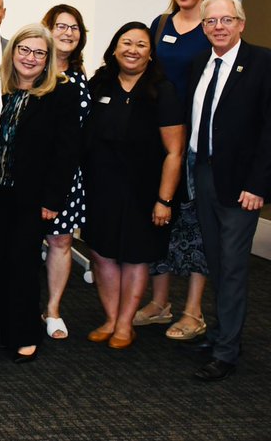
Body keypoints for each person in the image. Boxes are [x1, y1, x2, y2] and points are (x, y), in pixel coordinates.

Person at [81, 23, 184, 350]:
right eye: (126, 42)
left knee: (135, 257)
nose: (133, 49)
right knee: (102, 254)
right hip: (100, 186)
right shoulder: (100, 83)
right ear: (114, 48)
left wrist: (164, 200)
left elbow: (174, 152)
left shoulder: (162, 90)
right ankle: (110, 318)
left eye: (141, 44)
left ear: (150, 54)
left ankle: (126, 323)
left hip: (144, 190)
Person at [185, 0, 271, 381]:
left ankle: (227, 351)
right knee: (216, 259)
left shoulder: (263, 63)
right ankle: (223, 330)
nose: (218, 27)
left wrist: (258, 185)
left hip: (242, 186)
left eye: (226, 20)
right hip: (204, 173)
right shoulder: (200, 63)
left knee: (234, 266)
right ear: (203, 28)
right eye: (211, 21)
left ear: (241, 23)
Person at [0, 24, 80, 363]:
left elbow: (66, 152)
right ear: (13, 53)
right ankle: (9, 330)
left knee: (22, 265)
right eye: (25, 49)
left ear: (48, 60)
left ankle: (26, 333)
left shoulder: (61, 94)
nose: (31, 57)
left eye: (40, 53)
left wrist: (53, 200)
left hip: (32, 198)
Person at [136, 0, 215, 342]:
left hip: (197, 139)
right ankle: (159, 303)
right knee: (159, 219)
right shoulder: (161, 25)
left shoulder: (211, 27)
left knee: (195, 224)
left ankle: (193, 311)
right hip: (159, 137)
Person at [38, 4, 91, 341]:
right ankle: (25, 305)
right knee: (25, 243)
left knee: (61, 241)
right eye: (61, 26)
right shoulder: (32, 68)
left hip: (69, 174)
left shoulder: (85, 75)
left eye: (74, 27)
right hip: (32, 172)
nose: (68, 32)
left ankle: (53, 309)